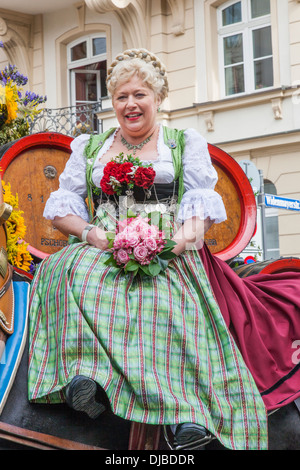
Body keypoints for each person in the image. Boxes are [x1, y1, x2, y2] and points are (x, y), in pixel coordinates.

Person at [28, 48, 269, 450]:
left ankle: (184, 413)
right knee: (67, 269)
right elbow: (61, 209)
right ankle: (82, 376)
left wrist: (176, 243)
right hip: (102, 239)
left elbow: (202, 206)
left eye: (140, 95)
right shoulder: (89, 147)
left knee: (165, 294)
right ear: (113, 103)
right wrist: (95, 236)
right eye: (121, 97)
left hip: (166, 241)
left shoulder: (182, 143)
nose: (130, 104)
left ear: (157, 98)